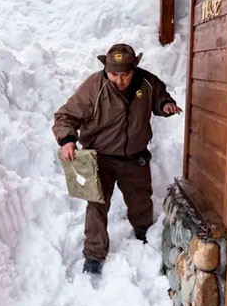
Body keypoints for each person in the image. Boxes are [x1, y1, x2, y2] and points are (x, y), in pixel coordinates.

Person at [52, 43, 182, 275]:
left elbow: (160, 98)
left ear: (134, 69)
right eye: (114, 75)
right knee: (97, 206)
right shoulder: (94, 86)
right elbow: (66, 116)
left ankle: (145, 237)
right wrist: (68, 139)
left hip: (134, 158)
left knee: (141, 201)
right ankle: (94, 254)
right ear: (106, 70)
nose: (119, 80)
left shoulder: (147, 82)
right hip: (100, 159)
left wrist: (166, 105)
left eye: (125, 75)